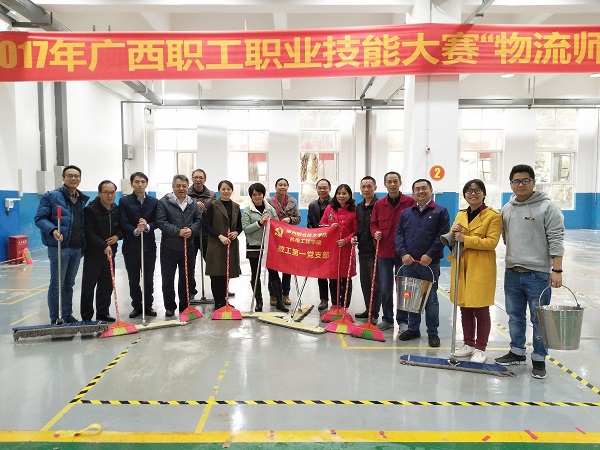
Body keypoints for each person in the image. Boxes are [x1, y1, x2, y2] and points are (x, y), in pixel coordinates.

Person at [494, 164, 564, 379]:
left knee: (539, 319)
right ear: (511, 184)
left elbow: (556, 238)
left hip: (538, 274)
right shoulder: (507, 208)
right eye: (516, 181)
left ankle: (539, 358)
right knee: (515, 316)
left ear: (533, 182)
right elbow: (505, 237)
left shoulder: (548, 207)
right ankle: (517, 351)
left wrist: (557, 269)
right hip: (512, 272)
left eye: (526, 180)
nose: (521, 185)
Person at [449, 179, 501, 363]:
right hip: (461, 264)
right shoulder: (461, 214)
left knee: (480, 308)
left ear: (484, 194)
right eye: (469, 191)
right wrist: (453, 232)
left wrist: (466, 239)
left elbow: (492, 242)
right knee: (465, 306)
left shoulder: (493, 215)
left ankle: (480, 348)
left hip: (480, 266)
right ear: (464, 195)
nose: (473, 194)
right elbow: (453, 239)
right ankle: (468, 343)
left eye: (477, 190)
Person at [395, 179, 449, 348]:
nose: (420, 191)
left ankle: (433, 332)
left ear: (431, 190)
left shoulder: (440, 211)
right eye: (417, 189)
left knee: (431, 299)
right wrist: (403, 254)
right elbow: (399, 234)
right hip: (409, 263)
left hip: (429, 264)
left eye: (424, 188)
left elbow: (442, 236)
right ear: (413, 193)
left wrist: (430, 255)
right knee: (411, 297)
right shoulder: (406, 213)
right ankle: (413, 329)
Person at [35, 165, 89, 324]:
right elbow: (40, 218)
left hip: (77, 248)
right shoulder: (52, 196)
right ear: (63, 178)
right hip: (59, 247)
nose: (73, 178)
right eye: (69, 175)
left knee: (69, 284)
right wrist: (53, 230)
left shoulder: (81, 199)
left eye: (76, 176)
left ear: (80, 179)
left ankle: (66, 314)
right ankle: (55, 317)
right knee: (57, 284)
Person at [369, 171, 416, 331]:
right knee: (386, 288)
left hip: (404, 253)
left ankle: (403, 320)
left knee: (403, 288)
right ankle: (387, 319)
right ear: (385, 184)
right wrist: (375, 232)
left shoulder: (409, 202)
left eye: (395, 181)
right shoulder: (379, 204)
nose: (392, 184)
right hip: (384, 252)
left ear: (400, 183)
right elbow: (373, 224)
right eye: (389, 181)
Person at [156, 175, 203, 317]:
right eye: (178, 186)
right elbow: (161, 222)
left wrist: (192, 230)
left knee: (186, 278)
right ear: (173, 187)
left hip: (188, 247)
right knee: (168, 279)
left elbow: (198, 220)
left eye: (184, 186)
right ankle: (170, 307)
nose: (181, 188)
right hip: (169, 248)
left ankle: (184, 305)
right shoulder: (163, 202)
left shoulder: (192, 203)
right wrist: (178, 232)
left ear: (187, 187)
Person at [241, 183, 288, 313]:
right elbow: (246, 229)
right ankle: (259, 302)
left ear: (263, 194)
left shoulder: (270, 209)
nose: (257, 197)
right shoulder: (247, 210)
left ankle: (279, 302)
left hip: (269, 246)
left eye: (259, 194)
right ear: (251, 196)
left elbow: (277, 224)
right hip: (254, 247)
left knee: (274, 273)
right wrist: (259, 223)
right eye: (254, 194)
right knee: (255, 275)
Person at [80, 180, 122, 322]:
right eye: (106, 192)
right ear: (99, 193)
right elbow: (88, 232)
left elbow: (121, 229)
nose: (110, 195)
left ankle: (103, 313)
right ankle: (87, 317)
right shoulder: (90, 210)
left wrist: (118, 236)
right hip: (93, 255)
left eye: (112, 192)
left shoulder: (116, 209)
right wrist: (103, 245)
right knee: (89, 286)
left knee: (107, 285)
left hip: (110, 254)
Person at [119, 172, 159, 319]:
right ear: (131, 184)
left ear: (146, 184)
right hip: (131, 246)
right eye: (136, 182)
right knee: (133, 278)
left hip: (149, 246)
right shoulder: (124, 201)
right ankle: (136, 306)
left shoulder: (154, 202)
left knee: (148, 278)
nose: (140, 184)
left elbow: (158, 221)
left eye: (143, 182)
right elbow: (123, 222)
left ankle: (148, 305)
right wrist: (135, 230)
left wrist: (147, 226)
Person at [204, 180, 243, 310]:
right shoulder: (212, 205)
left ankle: (225, 301)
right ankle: (218, 302)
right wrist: (220, 236)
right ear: (219, 191)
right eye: (223, 189)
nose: (226, 191)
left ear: (232, 190)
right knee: (216, 274)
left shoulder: (236, 206)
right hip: (216, 244)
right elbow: (206, 225)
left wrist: (236, 232)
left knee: (226, 273)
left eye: (228, 189)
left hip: (230, 244)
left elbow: (240, 225)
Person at [319, 184, 358, 308]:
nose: (341, 196)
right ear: (335, 195)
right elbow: (322, 224)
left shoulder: (354, 210)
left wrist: (346, 240)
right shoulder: (329, 208)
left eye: (344, 193)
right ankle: (335, 305)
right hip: (333, 249)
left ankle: (345, 306)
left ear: (349, 195)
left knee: (346, 279)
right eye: (339, 193)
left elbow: (356, 231)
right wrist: (329, 227)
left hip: (347, 249)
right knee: (333, 278)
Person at [267, 177, 301, 306]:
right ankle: (273, 295)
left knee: (288, 268)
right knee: (273, 267)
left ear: (287, 187)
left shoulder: (293, 201)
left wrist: (290, 219)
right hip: (274, 239)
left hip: (288, 239)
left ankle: (285, 294)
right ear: (276, 187)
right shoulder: (269, 201)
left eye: (285, 185)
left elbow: (298, 218)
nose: (282, 187)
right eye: (280, 185)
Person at [352, 176, 380, 324]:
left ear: (375, 188)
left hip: (375, 251)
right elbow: (359, 227)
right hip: (362, 250)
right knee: (365, 282)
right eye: (363, 187)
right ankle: (368, 309)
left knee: (376, 284)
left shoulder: (379, 205)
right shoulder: (359, 207)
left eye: (369, 186)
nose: (366, 189)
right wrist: (355, 236)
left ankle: (374, 313)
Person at [307, 178, 332, 311]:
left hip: (332, 243)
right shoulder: (312, 205)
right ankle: (323, 299)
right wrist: (314, 234)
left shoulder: (335, 204)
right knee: (320, 273)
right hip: (318, 243)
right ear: (316, 189)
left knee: (333, 273)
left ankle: (336, 301)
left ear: (329, 189)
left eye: (325, 188)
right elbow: (310, 222)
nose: (322, 190)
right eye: (320, 188)